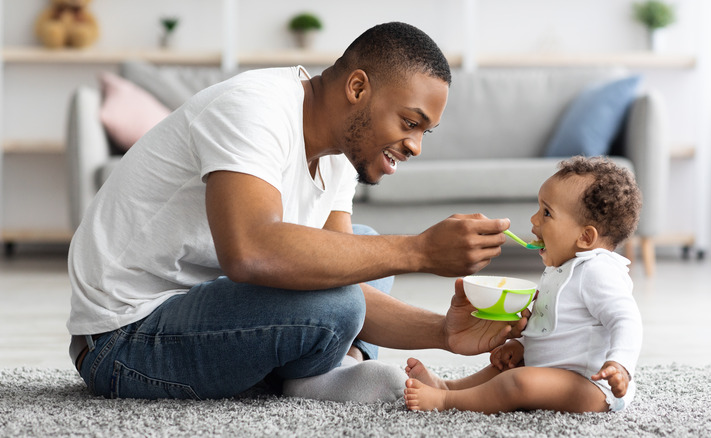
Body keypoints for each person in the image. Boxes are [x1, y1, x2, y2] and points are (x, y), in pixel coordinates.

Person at [66, 21, 522, 402]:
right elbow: (249, 252)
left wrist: (444, 332)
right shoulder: (253, 109)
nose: (416, 146)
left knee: (358, 249)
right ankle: (324, 375)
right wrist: (420, 251)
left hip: (209, 310)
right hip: (122, 339)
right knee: (349, 282)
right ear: (358, 87)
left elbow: (346, 281)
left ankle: (328, 371)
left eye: (426, 132)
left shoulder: (340, 156)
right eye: (409, 123)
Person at [403, 156, 644, 414]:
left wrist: (619, 365)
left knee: (517, 382)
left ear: (585, 236)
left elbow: (626, 320)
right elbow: (555, 327)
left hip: (590, 387)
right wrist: (522, 346)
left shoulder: (598, 270)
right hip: (557, 374)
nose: (534, 219)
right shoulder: (562, 269)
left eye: (547, 213)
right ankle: (449, 387)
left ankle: (446, 402)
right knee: (507, 368)